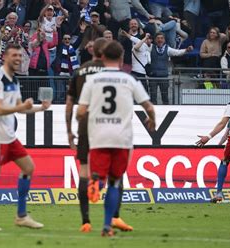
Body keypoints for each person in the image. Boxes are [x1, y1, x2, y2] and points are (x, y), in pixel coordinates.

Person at [76, 40, 156, 236]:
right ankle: (106, 226)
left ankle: (96, 181)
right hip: (122, 137)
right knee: (116, 181)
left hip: (98, 137)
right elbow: (149, 107)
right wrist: (151, 120)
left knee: (99, 173)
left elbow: (80, 111)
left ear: (102, 57)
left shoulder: (92, 81)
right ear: (121, 59)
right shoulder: (129, 80)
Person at [0, 43, 50, 231]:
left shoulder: (14, 80)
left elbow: (20, 108)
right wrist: (21, 107)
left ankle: (21, 216)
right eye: (14, 55)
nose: (18, 58)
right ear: (5, 57)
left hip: (9, 135)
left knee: (28, 168)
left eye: (20, 55)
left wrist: (41, 107)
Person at [65, 38, 133, 233]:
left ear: (92, 50)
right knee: (115, 173)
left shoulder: (80, 70)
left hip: (85, 124)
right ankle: (115, 217)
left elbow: (70, 103)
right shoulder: (112, 74)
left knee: (84, 172)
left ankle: (85, 221)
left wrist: (69, 131)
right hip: (108, 125)